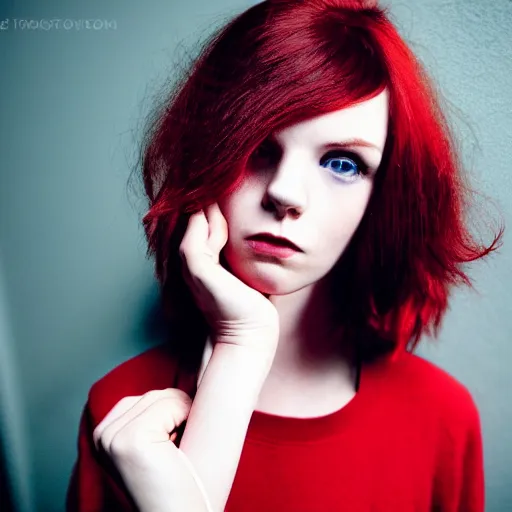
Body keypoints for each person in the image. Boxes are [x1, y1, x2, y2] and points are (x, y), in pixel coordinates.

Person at [66, 0, 504, 511]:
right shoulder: (122, 418)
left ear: (381, 196)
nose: (286, 192)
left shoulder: (442, 419)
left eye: (342, 162)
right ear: (207, 156)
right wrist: (242, 342)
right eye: (256, 147)